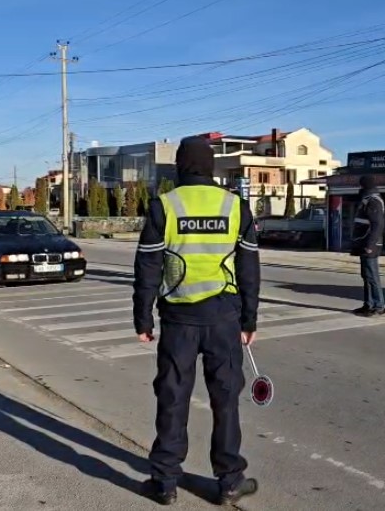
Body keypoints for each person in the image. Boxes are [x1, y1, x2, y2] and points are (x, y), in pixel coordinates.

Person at [133, 136, 261, 506]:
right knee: (226, 400)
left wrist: (142, 317)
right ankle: (230, 480)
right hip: (224, 318)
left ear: (179, 166)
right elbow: (248, 269)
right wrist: (249, 319)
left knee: (173, 397)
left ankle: (165, 481)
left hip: (178, 320)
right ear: (210, 166)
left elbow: (147, 267)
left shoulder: (165, 206)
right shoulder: (235, 206)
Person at [350, 175, 385, 316]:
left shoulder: (373, 201)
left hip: (370, 244)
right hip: (364, 242)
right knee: (366, 275)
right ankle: (368, 304)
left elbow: (377, 225)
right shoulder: (367, 200)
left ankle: (378, 306)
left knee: (372, 276)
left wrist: (370, 244)